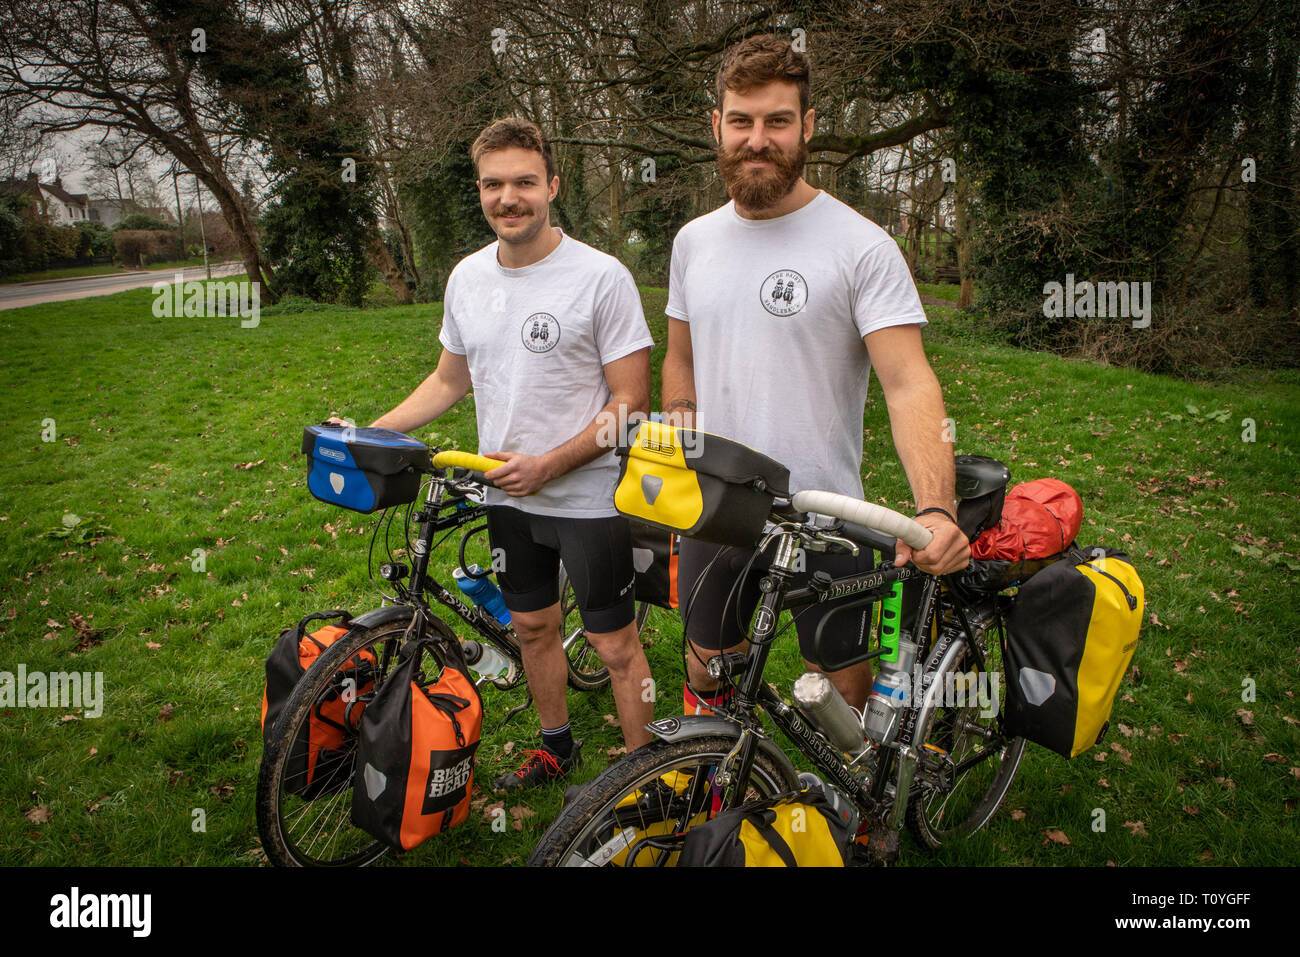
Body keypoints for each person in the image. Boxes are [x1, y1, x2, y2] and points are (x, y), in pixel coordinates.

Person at [339, 117, 656, 791]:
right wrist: (373, 431)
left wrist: (551, 464)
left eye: (523, 182)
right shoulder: (466, 277)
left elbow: (630, 404)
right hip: (505, 493)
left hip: (588, 497)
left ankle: (643, 776)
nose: (508, 198)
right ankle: (556, 747)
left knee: (616, 646)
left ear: (552, 186)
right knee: (536, 628)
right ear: (479, 189)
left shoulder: (602, 278)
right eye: (493, 184)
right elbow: (450, 378)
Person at [660, 36, 971, 715]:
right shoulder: (693, 242)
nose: (757, 139)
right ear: (717, 125)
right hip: (718, 504)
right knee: (707, 670)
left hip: (829, 516)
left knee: (837, 697)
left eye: (777, 121)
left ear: (807, 125)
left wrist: (937, 507)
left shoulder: (860, 246)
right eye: (741, 121)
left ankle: (851, 819)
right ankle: (709, 796)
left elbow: (910, 383)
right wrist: (680, 435)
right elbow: (681, 357)